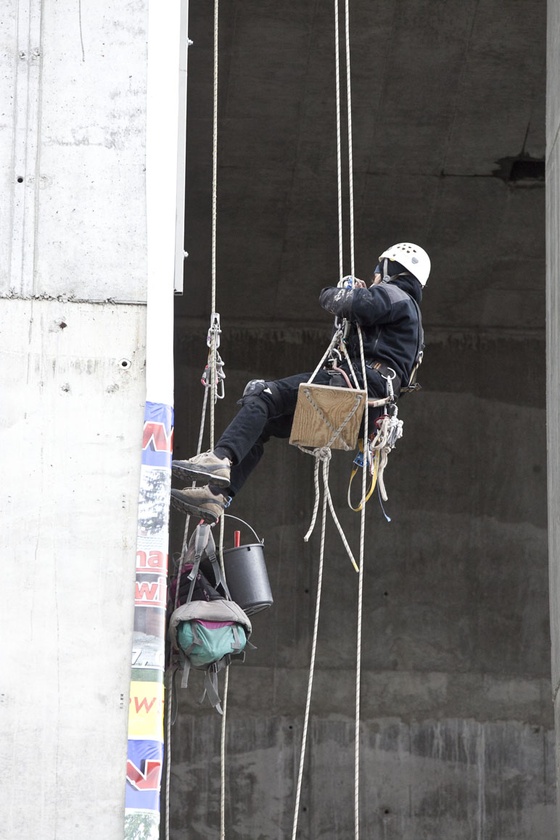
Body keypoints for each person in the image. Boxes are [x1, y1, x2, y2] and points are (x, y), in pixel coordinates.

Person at [171, 242, 430, 523]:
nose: (376, 277)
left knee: (262, 394)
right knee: (262, 424)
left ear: (393, 269)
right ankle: (216, 496)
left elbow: (347, 303)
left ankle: (219, 460)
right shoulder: (407, 315)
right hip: (369, 407)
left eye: (379, 271)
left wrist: (338, 292)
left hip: (359, 384)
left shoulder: (394, 294)